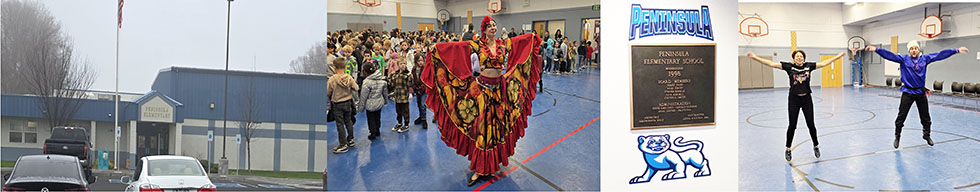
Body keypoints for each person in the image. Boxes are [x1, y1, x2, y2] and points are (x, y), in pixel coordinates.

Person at [422, 16, 542, 186]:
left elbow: (518, 41)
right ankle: (479, 168)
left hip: (500, 91)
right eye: (490, 26)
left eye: (494, 25)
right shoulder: (477, 44)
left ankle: (492, 165)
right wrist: (438, 47)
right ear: (484, 30)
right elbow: (457, 47)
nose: (493, 28)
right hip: (483, 92)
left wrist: (532, 37)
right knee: (482, 128)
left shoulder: (502, 43)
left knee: (497, 126)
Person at [867, 42, 969, 148]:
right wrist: (876, 50)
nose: (914, 50)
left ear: (918, 50)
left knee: (926, 117)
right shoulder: (903, 59)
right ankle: (897, 136)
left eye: (915, 48)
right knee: (901, 117)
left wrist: (956, 51)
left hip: (920, 92)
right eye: (911, 48)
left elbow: (939, 55)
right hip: (908, 92)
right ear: (909, 50)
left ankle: (926, 135)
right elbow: (890, 55)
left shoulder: (925, 59)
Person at [747, 50, 845, 161]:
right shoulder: (789, 67)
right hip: (794, 100)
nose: (799, 58)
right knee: (792, 125)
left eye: (801, 56)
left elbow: (824, 63)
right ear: (793, 59)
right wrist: (755, 57)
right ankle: (788, 149)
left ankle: (816, 145)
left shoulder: (809, 66)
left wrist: (838, 56)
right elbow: (771, 64)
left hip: (807, 99)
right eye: (797, 56)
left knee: (811, 125)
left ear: (804, 58)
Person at [328, 57, 360, 153]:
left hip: (337, 104)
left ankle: (343, 145)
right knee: (348, 121)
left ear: (334, 67)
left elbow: (327, 92)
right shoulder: (349, 77)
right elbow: (357, 88)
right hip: (348, 103)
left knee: (340, 124)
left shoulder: (332, 79)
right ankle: (350, 139)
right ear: (345, 67)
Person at [359, 62, 387, 140]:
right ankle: (378, 130)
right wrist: (386, 101)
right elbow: (385, 92)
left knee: (371, 118)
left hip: (370, 104)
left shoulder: (366, 82)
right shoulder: (381, 79)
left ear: (365, 72)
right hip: (379, 102)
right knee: (378, 117)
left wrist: (360, 108)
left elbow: (363, 96)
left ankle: (372, 133)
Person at [390, 58, 414, 133]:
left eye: (404, 63)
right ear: (398, 65)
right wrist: (391, 76)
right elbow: (392, 84)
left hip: (404, 96)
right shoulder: (396, 74)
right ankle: (399, 123)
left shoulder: (408, 74)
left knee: (405, 111)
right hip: (397, 96)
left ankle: (406, 124)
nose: (403, 65)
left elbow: (410, 84)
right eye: (401, 63)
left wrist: (410, 93)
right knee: (398, 111)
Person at [412, 53, 429, 129]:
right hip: (416, 89)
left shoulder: (425, 69)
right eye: (419, 61)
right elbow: (413, 79)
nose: (421, 62)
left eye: (422, 60)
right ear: (416, 61)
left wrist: (421, 88)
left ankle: (424, 119)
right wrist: (415, 88)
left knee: (423, 104)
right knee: (418, 104)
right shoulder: (414, 69)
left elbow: (426, 80)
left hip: (423, 89)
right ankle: (420, 117)